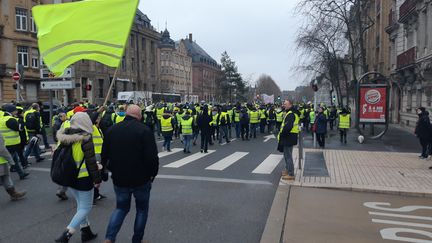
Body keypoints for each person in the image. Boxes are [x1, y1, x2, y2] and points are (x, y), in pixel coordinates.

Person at [102, 105, 159, 243]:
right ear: (139, 116)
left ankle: (109, 238)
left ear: (126, 114)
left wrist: (106, 169)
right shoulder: (145, 130)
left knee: (120, 208)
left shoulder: (112, 130)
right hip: (141, 178)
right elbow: (152, 157)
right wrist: (153, 174)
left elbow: (104, 154)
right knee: (141, 210)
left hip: (119, 177)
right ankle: (137, 240)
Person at [54, 112, 101, 243]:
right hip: (83, 177)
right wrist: (97, 179)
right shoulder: (86, 138)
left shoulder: (64, 135)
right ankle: (66, 234)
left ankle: (86, 232)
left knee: (81, 205)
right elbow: (91, 163)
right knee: (86, 207)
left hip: (69, 177)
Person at [1, 104, 29, 180]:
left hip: (6, 143)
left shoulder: (3, 118)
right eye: (15, 110)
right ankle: (2, 178)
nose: (16, 111)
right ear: (11, 111)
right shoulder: (9, 119)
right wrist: (21, 122)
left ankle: (21, 174)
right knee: (8, 161)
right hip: (11, 144)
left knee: (15, 160)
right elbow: (19, 128)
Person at [0, 132, 26, 201]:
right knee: (5, 177)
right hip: (1, 161)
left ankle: (13, 194)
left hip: (2, 161)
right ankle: (13, 194)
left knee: (5, 177)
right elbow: (1, 149)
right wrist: (10, 160)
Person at [278, 100, 299, 180]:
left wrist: (282, 134)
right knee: (286, 155)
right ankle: (287, 170)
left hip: (288, 137)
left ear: (290, 105)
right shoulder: (291, 113)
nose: (284, 105)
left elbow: (287, 127)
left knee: (288, 156)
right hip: (290, 137)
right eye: (283, 104)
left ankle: (291, 174)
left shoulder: (290, 114)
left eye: (285, 104)